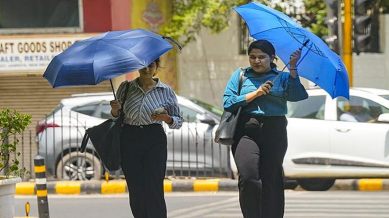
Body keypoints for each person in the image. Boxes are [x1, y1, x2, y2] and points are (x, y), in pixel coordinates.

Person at [223, 40, 308, 218]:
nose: (256, 61)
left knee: (271, 178)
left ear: (272, 58)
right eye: (252, 57)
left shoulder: (283, 77)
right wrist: (256, 93)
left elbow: (298, 95)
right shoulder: (240, 76)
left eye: (262, 57)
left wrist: (292, 68)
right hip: (246, 132)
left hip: (274, 130)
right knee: (248, 177)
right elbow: (228, 102)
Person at [110, 58, 183, 218]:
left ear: (156, 67)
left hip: (154, 139)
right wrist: (115, 110)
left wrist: (166, 118)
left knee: (154, 187)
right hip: (129, 138)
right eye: (143, 65)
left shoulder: (166, 91)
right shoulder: (126, 87)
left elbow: (178, 120)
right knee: (136, 188)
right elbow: (117, 117)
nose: (146, 68)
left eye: (150, 65)